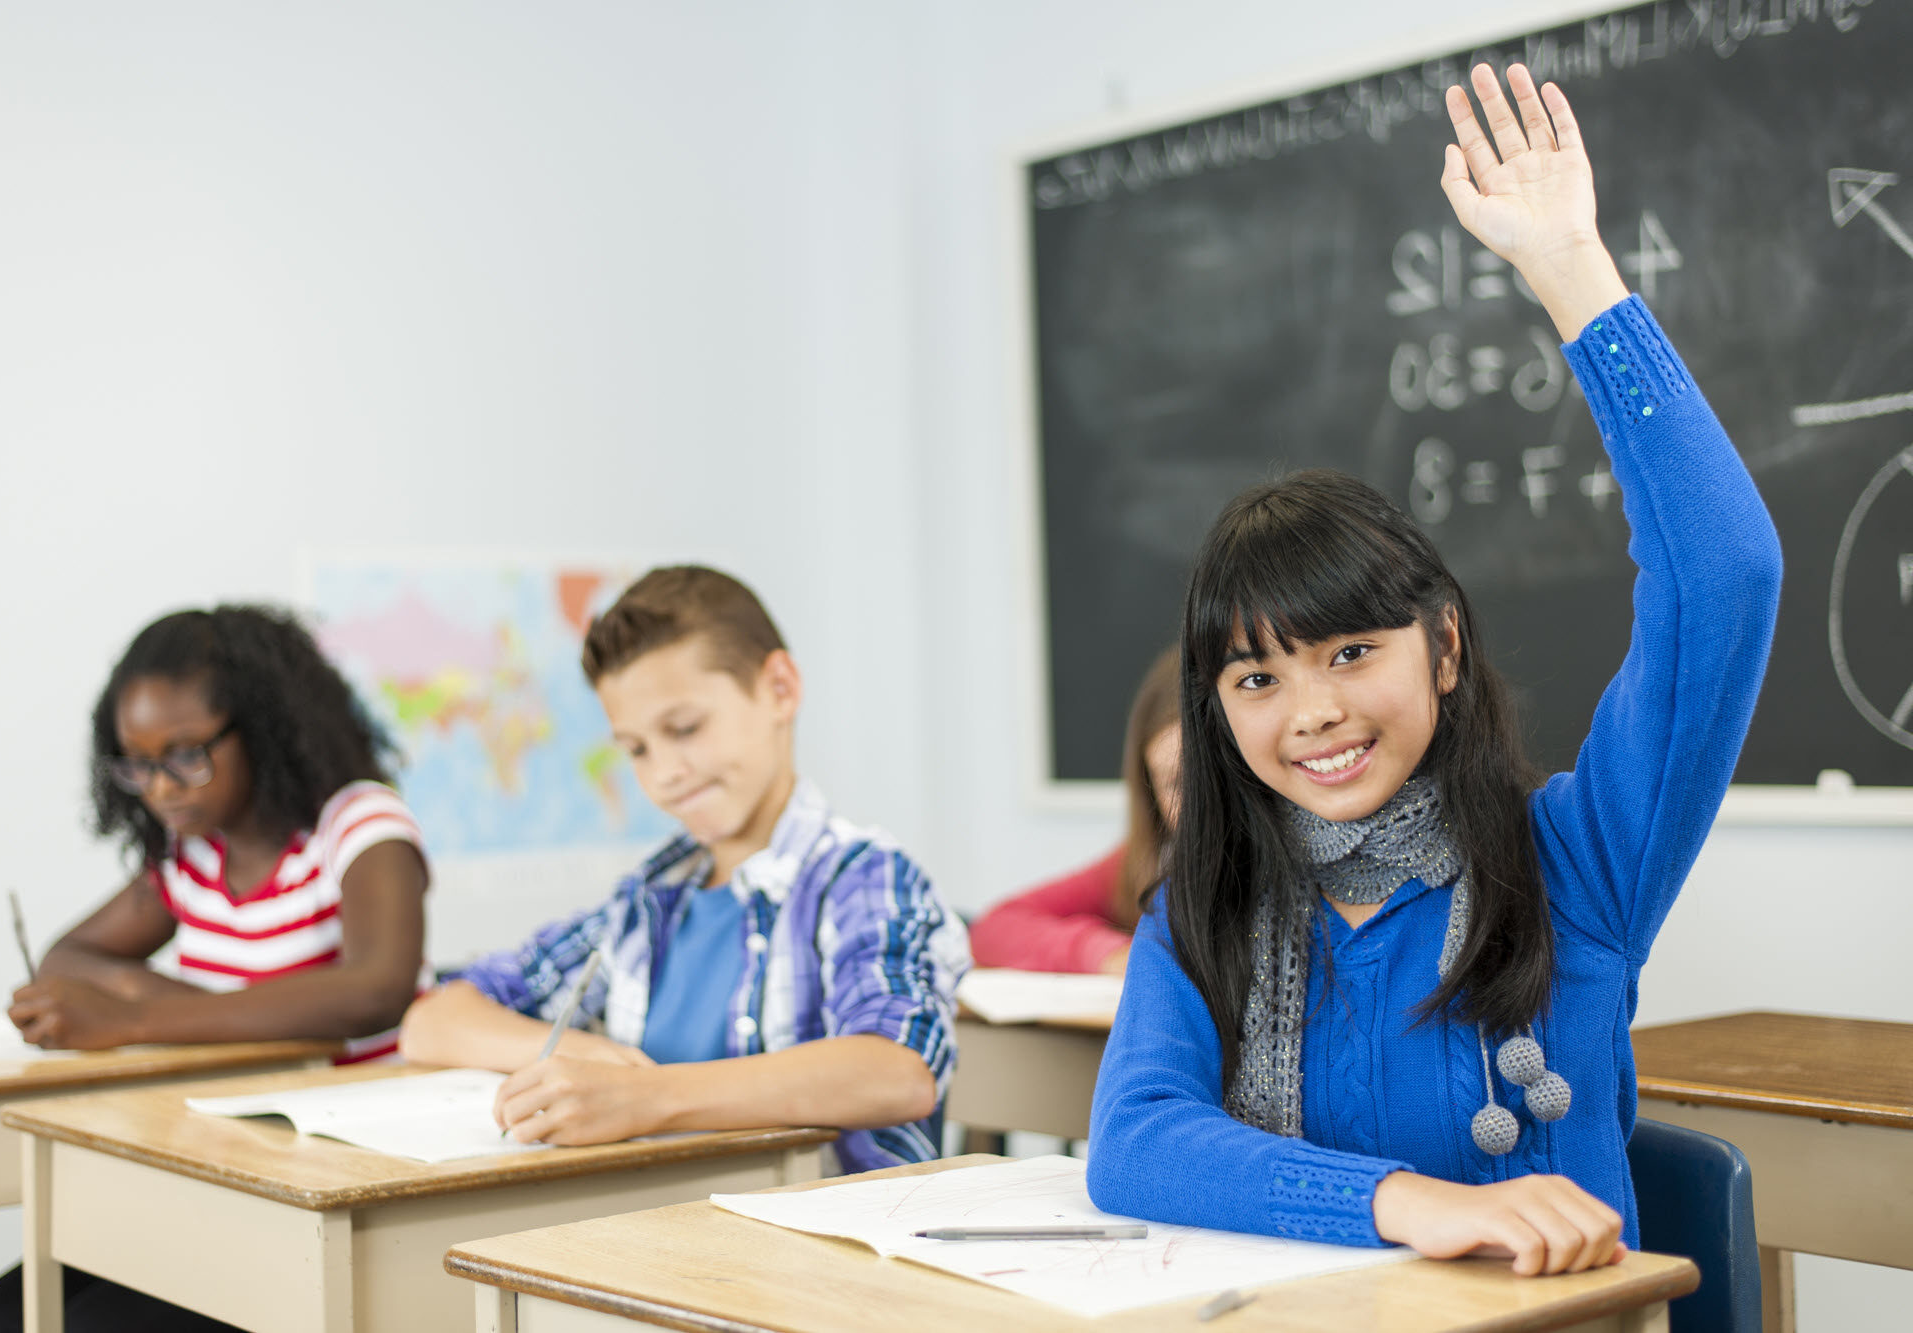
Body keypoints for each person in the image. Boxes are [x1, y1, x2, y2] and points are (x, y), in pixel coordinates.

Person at [1086, 64, 1781, 1280]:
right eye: (1254, 681)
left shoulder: (1578, 859)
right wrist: (1404, 1200)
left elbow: (1722, 573)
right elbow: (1136, 1143)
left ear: (1444, 647)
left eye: (1350, 652)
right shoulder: (1203, 906)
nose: (1310, 713)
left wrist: (1571, 270)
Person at [399, 565, 968, 1172]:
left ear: (779, 688)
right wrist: (589, 1060)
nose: (664, 772)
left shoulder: (862, 878)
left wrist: (647, 1097)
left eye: (684, 728)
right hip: (659, 1241)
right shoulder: (648, 902)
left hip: (821, 1252)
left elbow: (897, 1072)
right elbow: (433, 1023)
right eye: (637, 749)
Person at [0, 605, 430, 1333]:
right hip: (226, 1161)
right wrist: (224, 1008)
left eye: (185, 754)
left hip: (338, 1178)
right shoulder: (192, 858)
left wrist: (136, 1018)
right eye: (138, 762)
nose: (160, 786)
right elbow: (70, 956)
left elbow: (374, 990)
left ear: (265, 729)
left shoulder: (358, 825)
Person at [969, 647, 1179, 974]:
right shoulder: (1149, 861)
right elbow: (995, 928)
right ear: (1149, 788)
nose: (1201, 804)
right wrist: (1106, 954)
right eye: (1177, 783)